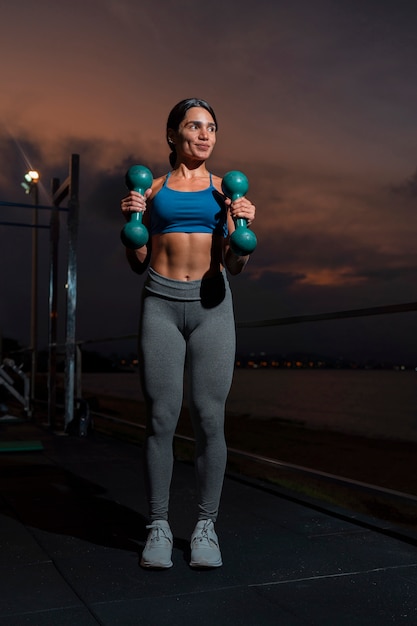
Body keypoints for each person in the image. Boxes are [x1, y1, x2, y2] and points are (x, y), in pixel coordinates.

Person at [120, 98, 256, 569]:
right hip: (160, 304)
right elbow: (138, 261)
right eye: (194, 126)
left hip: (213, 307)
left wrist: (244, 231)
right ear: (172, 135)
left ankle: (205, 527)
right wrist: (131, 223)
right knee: (161, 416)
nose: (204, 135)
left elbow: (235, 265)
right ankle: (158, 525)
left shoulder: (227, 193)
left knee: (209, 418)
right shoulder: (152, 191)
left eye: (212, 127)